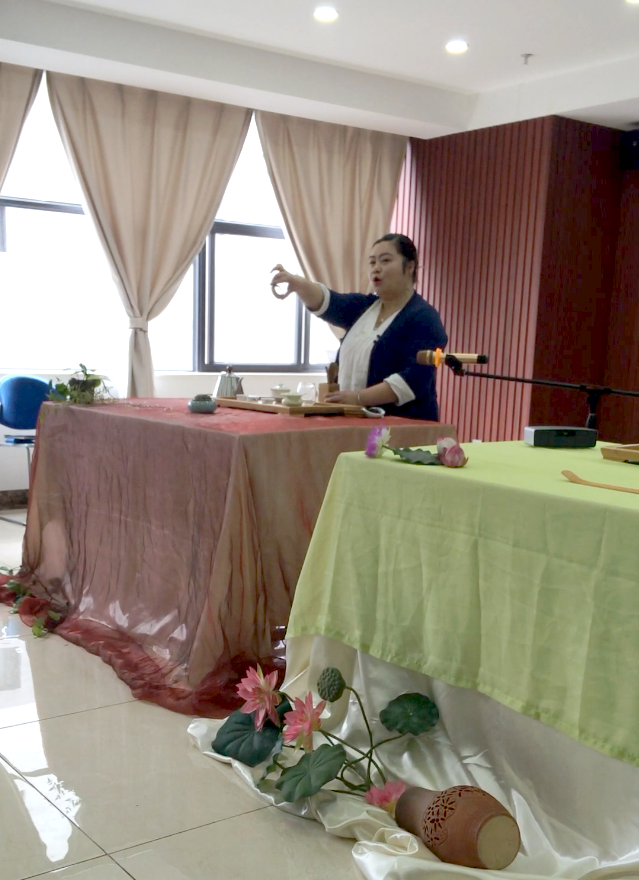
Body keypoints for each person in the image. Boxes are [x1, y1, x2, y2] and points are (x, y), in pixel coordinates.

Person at [270, 233, 447, 420]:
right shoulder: (364, 307)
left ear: (410, 266)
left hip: (403, 425)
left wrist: (359, 398)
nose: (376, 268)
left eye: (385, 261)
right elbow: (329, 302)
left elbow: (413, 379)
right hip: (354, 422)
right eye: (372, 262)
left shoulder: (424, 318)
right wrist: (297, 283)